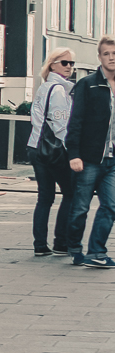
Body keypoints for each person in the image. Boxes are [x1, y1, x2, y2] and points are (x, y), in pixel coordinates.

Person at [65, 37, 115, 268]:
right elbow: (76, 121)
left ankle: (97, 251)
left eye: (114, 53)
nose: (112, 57)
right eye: (107, 54)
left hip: (113, 161)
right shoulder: (88, 84)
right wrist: (74, 154)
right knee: (80, 207)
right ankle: (74, 246)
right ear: (100, 57)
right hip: (89, 159)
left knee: (111, 205)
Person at [28, 49, 76, 257]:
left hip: (35, 146)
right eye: (64, 62)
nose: (69, 66)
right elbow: (61, 124)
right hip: (54, 150)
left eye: (72, 63)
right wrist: (72, 151)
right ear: (52, 64)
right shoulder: (58, 90)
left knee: (45, 197)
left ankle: (40, 244)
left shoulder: (44, 87)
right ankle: (61, 242)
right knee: (70, 193)